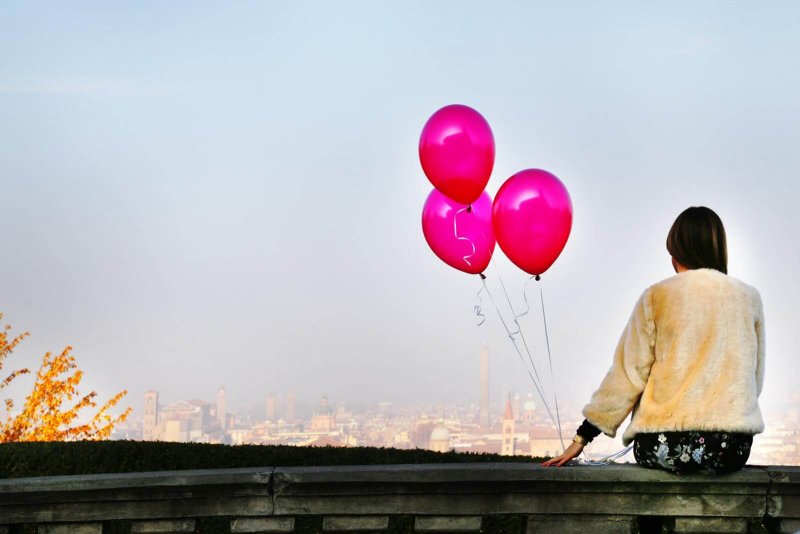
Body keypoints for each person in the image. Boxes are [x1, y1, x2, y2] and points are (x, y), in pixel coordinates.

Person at [542, 206, 765, 474]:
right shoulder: (748, 299)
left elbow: (627, 376)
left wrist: (582, 437)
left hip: (666, 444)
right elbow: (754, 378)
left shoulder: (657, 297)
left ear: (675, 251)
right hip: (730, 449)